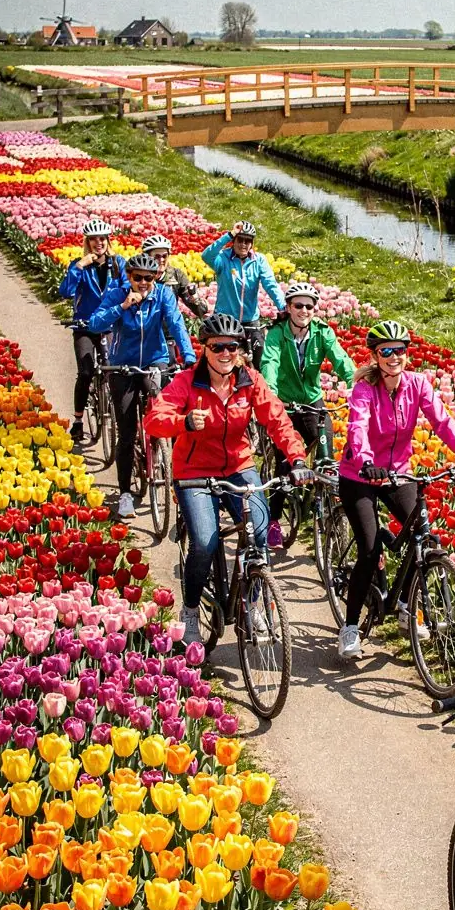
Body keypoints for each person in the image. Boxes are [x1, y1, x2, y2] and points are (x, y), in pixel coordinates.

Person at [146, 314, 309, 646]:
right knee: (205, 542)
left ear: (240, 350)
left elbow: (277, 420)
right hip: (194, 471)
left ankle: (253, 606)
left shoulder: (250, 381)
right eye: (217, 346)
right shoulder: (187, 382)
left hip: (238, 465)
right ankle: (190, 611)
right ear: (205, 349)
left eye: (232, 347)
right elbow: (154, 419)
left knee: (259, 533)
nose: (225, 353)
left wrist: (296, 458)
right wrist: (183, 421)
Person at [337, 319, 455, 662]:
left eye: (399, 350)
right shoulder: (365, 390)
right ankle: (350, 627)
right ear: (375, 356)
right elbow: (358, 426)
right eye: (386, 351)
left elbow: (442, 421)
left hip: (398, 472)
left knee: (424, 537)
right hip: (360, 475)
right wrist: (366, 460)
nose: (394, 357)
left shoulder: (418, 384)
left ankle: (404, 604)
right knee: (370, 549)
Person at [89, 252, 196, 520]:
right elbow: (96, 323)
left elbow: (176, 324)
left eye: (149, 278)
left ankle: (162, 456)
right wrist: (122, 306)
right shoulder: (117, 294)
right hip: (122, 365)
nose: (144, 282)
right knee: (126, 433)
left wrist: (189, 357)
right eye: (138, 278)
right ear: (129, 277)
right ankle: (125, 493)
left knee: (162, 412)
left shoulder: (163, 295)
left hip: (154, 360)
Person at [260, 280, 355, 547]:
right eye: (298, 305)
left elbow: (341, 360)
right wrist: (272, 398)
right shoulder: (277, 334)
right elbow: (269, 364)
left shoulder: (322, 333)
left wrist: (357, 385)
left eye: (309, 306)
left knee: (326, 456)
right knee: (284, 463)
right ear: (289, 307)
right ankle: (274, 520)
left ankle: (321, 499)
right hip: (285, 404)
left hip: (313, 402)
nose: (304, 310)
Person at [58, 217, 128, 443]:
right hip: (85, 325)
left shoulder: (118, 264)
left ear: (108, 241)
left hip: (109, 324)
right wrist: (79, 266)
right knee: (86, 372)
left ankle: (120, 418)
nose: (99, 243)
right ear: (87, 242)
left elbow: (128, 287)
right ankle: (78, 420)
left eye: (103, 239)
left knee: (114, 370)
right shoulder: (79, 265)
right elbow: (66, 291)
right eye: (94, 239)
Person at [201, 220, 285, 370]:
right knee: (223, 364)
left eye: (248, 241)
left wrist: (283, 307)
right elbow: (207, 256)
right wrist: (229, 235)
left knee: (261, 362)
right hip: (225, 322)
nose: (243, 244)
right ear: (234, 241)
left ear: (252, 243)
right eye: (240, 240)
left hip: (250, 321)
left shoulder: (258, 261)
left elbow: (270, 284)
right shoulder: (224, 258)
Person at [141, 234, 209, 321]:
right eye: (156, 256)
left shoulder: (176, 275)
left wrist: (195, 300)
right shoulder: (137, 276)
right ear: (146, 257)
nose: (161, 260)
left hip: (167, 325)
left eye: (164, 256)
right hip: (142, 324)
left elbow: (200, 311)